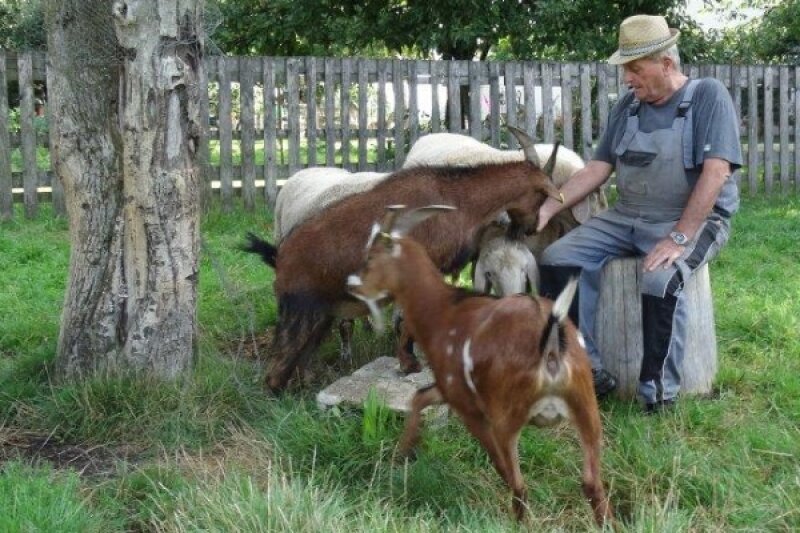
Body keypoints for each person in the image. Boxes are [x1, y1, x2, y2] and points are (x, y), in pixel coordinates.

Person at [536, 14, 742, 413]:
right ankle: (588, 368)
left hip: (691, 219)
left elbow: (717, 173)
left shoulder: (707, 97)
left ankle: (658, 394)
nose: (627, 79)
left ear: (666, 64)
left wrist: (680, 236)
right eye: (625, 71)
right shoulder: (628, 107)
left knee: (660, 280)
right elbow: (598, 169)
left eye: (634, 69)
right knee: (557, 258)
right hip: (627, 216)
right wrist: (550, 204)